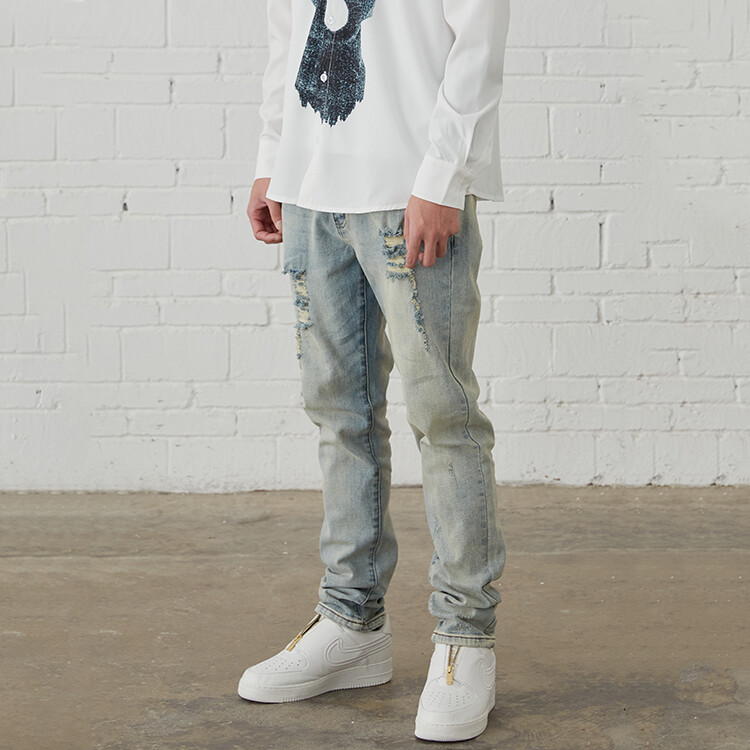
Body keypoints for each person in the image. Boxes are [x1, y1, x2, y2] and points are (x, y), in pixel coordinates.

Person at [239, 0, 510, 742]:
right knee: (338, 412)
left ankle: (465, 637)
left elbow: (479, 34)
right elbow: (287, 30)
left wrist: (444, 176)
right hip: (309, 185)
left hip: (410, 186)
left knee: (444, 416)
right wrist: (272, 158)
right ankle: (351, 623)